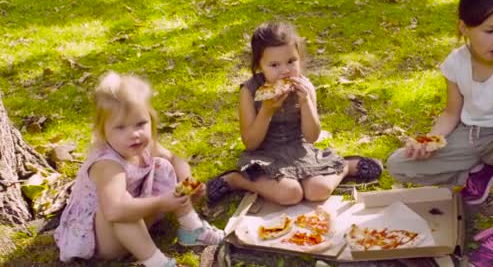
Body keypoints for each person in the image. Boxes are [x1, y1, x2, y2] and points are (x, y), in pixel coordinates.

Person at [386, 0, 493, 267]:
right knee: (398, 163)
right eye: (490, 30)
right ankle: (476, 172)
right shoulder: (455, 63)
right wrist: (428, 142)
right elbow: (451, 113)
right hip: (469, 137)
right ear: (464, 28)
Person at [54, 72, 224, 266]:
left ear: (151, 120)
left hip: (134, 218)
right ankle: (157, 262)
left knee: (164, 165)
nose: (134, 134)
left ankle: (192, 230)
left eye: (141, 123)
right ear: (103, 131)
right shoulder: (107, 164)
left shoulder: (143, 144)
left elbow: (174, 159)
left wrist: (188, 181)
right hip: (99, 240)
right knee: (121, 206)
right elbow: (114, 212)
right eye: (120, 127)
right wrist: (161, 203)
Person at [206, 21, 383, 205]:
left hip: (300, 151)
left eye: (291, 61)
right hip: (265, 155)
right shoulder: (250, 92)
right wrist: (266, 111)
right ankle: (236, 180)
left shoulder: (305, 87)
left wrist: (305, 102)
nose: (285, 71)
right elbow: (250, 143)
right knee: (290, 194)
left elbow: (312, 136)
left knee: (318, 191)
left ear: (300, 57)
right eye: (274, 65)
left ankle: (346, 166)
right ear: (259, 65)